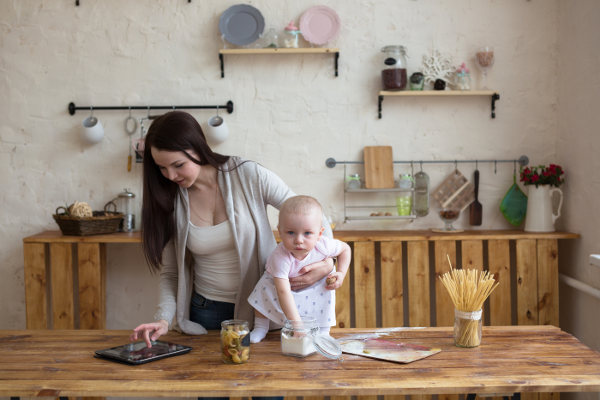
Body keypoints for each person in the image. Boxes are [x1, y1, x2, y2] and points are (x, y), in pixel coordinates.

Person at [129, 111, 334, 350]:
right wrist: (162, 319)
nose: (171, 176)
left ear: (197, 148)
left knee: (268, 384)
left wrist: (326, 263)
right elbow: (171, 273)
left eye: (178, 165)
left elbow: (314, 219)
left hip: (265, 311)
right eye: (162, 168)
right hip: (206, 313)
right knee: (212, 386)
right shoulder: (171, 198)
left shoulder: (248, 175)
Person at [248, 195, 351, 343]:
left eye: (307, 233)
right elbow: (282, 291)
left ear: (319, 234)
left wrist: (341, 273)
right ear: (280, 231)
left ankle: (323, 331)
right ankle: (260, 327)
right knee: (263, 291)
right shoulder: (281, 257)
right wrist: (296, 324)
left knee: (326, 288)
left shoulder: (323, 245)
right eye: (291, 232)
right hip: (279, 287)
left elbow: (345, 249)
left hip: (312, 287)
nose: (298, 240)